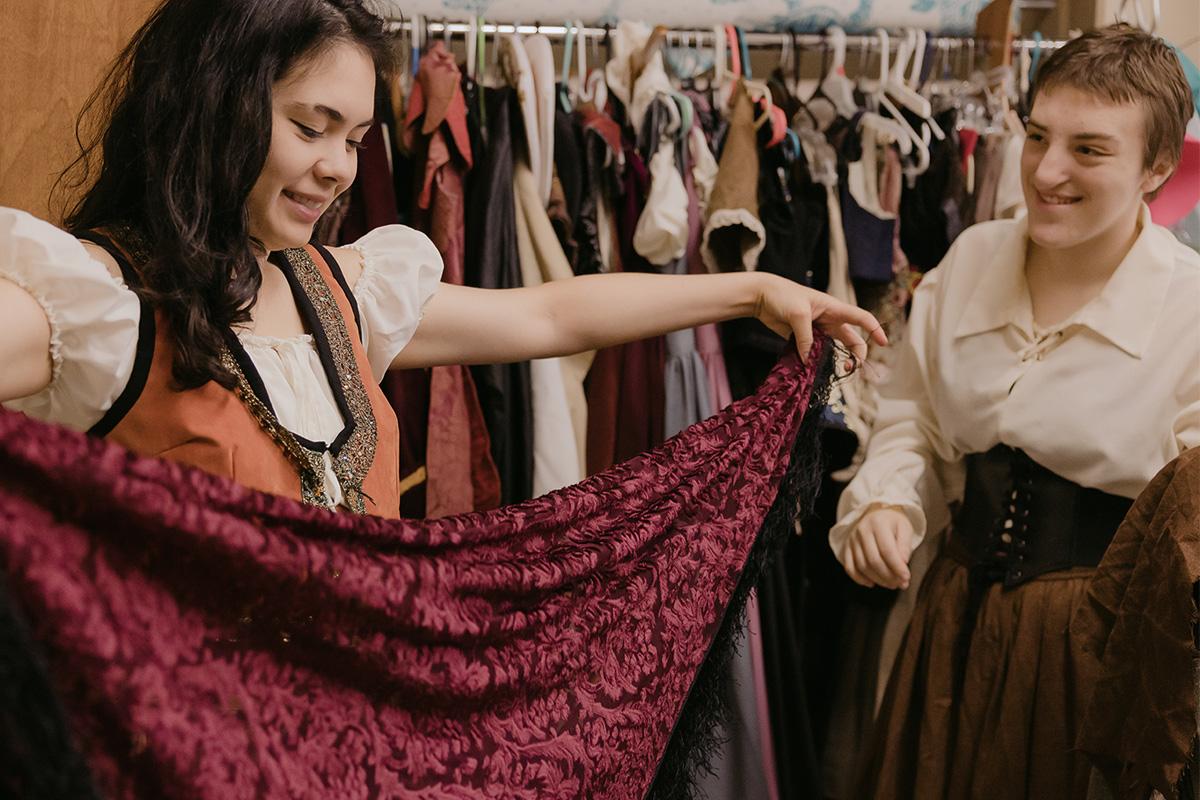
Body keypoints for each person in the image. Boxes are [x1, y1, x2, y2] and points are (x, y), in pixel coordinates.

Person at [0, 0, 884, 518]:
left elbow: (548, 314)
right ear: (213, 109)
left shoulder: (339, 292)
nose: (339, 168)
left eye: (355, 138)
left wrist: (755, 290)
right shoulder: (99, 309)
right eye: (311, 127)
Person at [829, 24, 1200, 799]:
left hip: (1099, 661)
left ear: (1156, 168)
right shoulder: (971, 258)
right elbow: (914, 420)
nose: (1046, 171)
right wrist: (887, 504)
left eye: (1089, 150)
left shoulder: (1190, 312)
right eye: (1036, 136)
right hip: (953, 631)